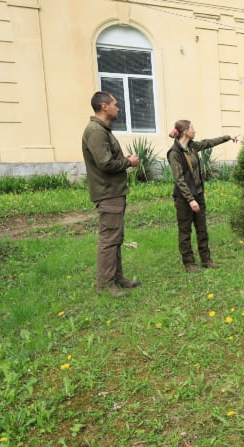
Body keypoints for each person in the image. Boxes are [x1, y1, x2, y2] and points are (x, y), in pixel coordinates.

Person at [81, 91, 141, 298]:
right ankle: (105, 286)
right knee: (109, 240)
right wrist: (129, 163)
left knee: (116, 237)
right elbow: (105, 164)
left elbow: (106, 158)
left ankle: (117, 278)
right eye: (115, 104)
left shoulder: (102, 130)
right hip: (108, 193)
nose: (118, 108)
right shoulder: (96, 131)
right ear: (104, 106)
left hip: (113, 192)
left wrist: (123, 159)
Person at [167, 120, 237, 272]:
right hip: (184, 199)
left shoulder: (192, 146)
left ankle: (206, 260)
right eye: (192, 128)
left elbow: (209, 143)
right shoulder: (174, 153)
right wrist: (190, 199)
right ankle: (189, 263)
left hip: (198, 194)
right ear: (185, 131)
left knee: (202, 229)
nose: (195, 130)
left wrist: (228, 137)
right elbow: (179, 179)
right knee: (185, 231)